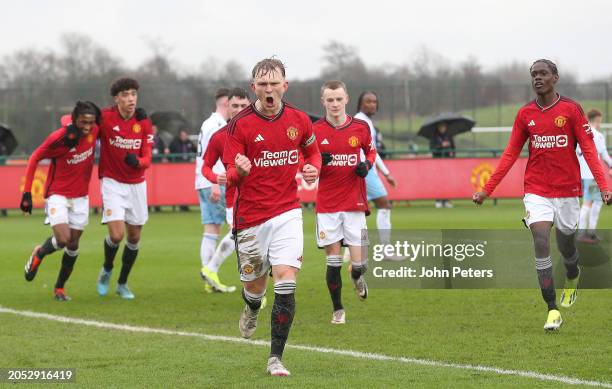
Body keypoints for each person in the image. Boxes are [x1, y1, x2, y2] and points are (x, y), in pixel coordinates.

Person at [473, 59, 611, 331]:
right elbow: (511, 153)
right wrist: (486, 189)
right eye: (533, 74)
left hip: (568, 191)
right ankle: (552, 310)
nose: (537, 78)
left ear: (555, 77)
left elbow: (589, 151)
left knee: (567, 248)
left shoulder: (571, 110)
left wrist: (605, 186)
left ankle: (572, 275)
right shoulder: (525, 114)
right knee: (540, 238)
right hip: (537, 189)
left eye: (543, 73)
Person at [223, 58, 321, 376]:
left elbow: (314, 152)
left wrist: (312, 167)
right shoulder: (240, 126)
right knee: (255, 289)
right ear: (254, 87)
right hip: (250, 218)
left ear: (284, 85)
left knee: (286, 278)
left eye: (274, 82)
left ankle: (275, 358)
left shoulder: (299, 120)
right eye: (262, 84)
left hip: (287, 212)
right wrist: (238, 171)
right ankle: (252, 308)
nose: (269, 88)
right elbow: (229, 174)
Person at [21, 101, 101, 301]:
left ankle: (59, 288)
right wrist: (27, 193)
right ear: (76, 119)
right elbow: (34, 158)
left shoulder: (95, 130)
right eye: (84, 122)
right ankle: (39, 252)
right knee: (64, 239)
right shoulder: (59, 138)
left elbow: (112, 117)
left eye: (91, 122)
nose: (88, 127)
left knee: (73, 245)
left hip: (81, 197)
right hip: (58, 195)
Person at [314, 80, 377, 324]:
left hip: (355, 204)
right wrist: (318, 160)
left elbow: (371, 151)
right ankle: (337, 309)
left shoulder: (360, 127)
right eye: (330, 100)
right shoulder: (315, 131)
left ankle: (357, 277)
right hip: (328, 207)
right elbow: (303, 162)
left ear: (347, 99)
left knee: (360, 264)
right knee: (333, 261)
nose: (335, 104)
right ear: (323, 102)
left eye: (339, 99)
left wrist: (367, 165)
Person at [96, 77, 154, 300]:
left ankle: (122, 283)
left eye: (134, 94)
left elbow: (148, 156)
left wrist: (138, 162)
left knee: (134, 237)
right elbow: (84, 126)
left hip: (137, 185)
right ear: (117, 98)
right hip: (112, 183)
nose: (131, 99)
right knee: (116, 234)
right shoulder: (105, 118)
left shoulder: (144, 122)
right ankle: (107, 269)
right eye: (126, 95)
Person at [200, 87, 251, 293]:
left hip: (265, 195)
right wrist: (214, 178)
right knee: (243, 238)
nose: (239, 109)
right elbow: (205, 166)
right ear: (227, 107)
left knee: (247, 239)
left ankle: (211, 268)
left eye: (243, 106)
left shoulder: (262, 131)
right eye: (234, 106)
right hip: (235, 198)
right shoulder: (219, 136)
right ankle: (256, 291)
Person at [352, 91, 397, 256]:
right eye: (368, 101)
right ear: (360, 103)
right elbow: (371, 150)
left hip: (362, 168)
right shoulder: (362, 121)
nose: (372, 104)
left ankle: (353, 250)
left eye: (374, 101)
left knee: (359, 210)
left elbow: (372, 150)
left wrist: (385, 173)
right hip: (365, 169)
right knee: (384, 204)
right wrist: (386, 173)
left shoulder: (363, 120)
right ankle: (386, 250)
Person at [195, 88, 230, 292]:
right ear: (226, 103)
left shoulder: (207, 123)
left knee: (211, 230)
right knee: (238, 227)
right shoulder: (217, 124)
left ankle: (209, 279)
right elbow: (212, 155)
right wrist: (216, 183)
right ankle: (210, 270)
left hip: (203, 181)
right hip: (214, 181)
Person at [576, 109, 612, 243]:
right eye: (599, 121)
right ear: (596, 120)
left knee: (593, 202)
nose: (600, 123)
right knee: (591, 203)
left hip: (583, 174)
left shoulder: (580, 135)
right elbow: (605, 156)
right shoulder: (597, 135)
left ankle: (587, 232)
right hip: (592, 175)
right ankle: (585, 233)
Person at [430, 121, 456, 208]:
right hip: (437, 163)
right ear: (438, 127)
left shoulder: (449, 136)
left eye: (444, 127)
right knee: (438, 181)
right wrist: (441, 145)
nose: (442, 128)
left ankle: (447, 200)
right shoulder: (434, 137)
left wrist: (452, 153)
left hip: (448, 163)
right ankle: (438, 200)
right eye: (440, 127)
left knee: (448, 181)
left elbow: (453, 148)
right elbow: (432, 149)